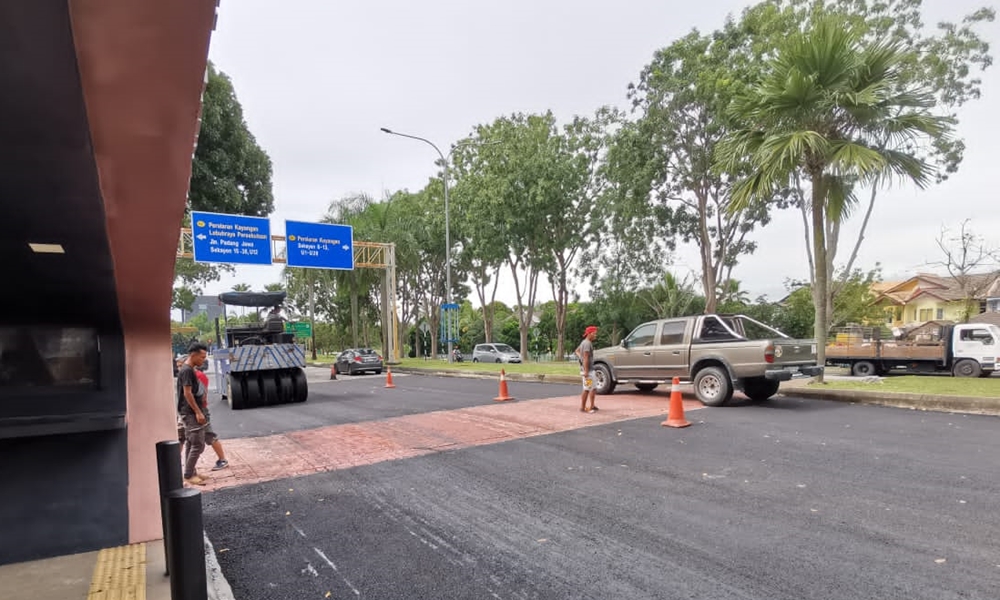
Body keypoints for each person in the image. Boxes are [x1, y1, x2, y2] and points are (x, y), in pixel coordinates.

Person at [176, 342, 227, 485]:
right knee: (198, 444)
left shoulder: (190, 369)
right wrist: (198, 412)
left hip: (191, 411)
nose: (204, 360)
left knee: (192, 443)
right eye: (202, 357)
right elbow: (187, 393)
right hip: (190, 412)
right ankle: (188, 475)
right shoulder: (187, 370)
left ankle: (191, 472)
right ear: (193, 355)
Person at [576, 325, 599, 413]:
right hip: (588, 371)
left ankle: (592, 405)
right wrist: (586, 371)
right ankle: (582, 407)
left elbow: (577, 351)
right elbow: (585, 357)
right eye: (594, 333)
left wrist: (580, 358)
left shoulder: (584, 342)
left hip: (590, 370)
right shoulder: (587, 344)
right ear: (589, 334)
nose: (595, 335)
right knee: (587, 388)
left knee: (593, 388)